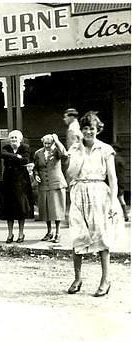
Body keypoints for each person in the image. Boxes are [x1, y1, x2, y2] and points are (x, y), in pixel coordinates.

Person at [66, 112, 122, 297]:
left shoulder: (105, 149)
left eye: (92, 128)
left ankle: (105, 280)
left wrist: (114, 202)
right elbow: (71, 174)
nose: (89, 131)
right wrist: (80, 151)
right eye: (85, 128)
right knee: (78, 235)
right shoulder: (75, 149)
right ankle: (77, 278)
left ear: (98, 129)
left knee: (101, 236)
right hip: (79, 191)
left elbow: (112, 179)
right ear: (80, 130)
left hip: (99, 193)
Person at [0, 129, 34, 243]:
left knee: (20, 207)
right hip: (8, 180)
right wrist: (17, 157)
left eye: (15, 138)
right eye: (12, 137)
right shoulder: (6, 148)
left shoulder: (25, 147)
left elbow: (25, 160)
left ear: (20, 139)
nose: (13, 139)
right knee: (9, 208)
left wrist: (15, 158)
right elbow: (3, 155)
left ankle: (21, 233)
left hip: (21, 181)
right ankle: (10, 234)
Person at [32, 134, 68, 242]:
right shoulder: (38, 153)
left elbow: (65, 155)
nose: (47, 145)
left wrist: (57, 141)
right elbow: (36, 167)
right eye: (45, 143)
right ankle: (49, 232)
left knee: (56, 210)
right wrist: (36, 175)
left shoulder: (57, 151)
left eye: (49, 143)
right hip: (44, 184)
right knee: (45, 209)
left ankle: (58, 232)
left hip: (56, 183)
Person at [113, 143, 130, 222]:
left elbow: (115, 172)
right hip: (121, 181)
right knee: (121, 198)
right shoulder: (121, 159)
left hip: (117, 181)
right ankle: (125, 215)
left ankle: (125, 214)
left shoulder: (115, 160)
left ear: (115, 149)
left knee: (119, 199)